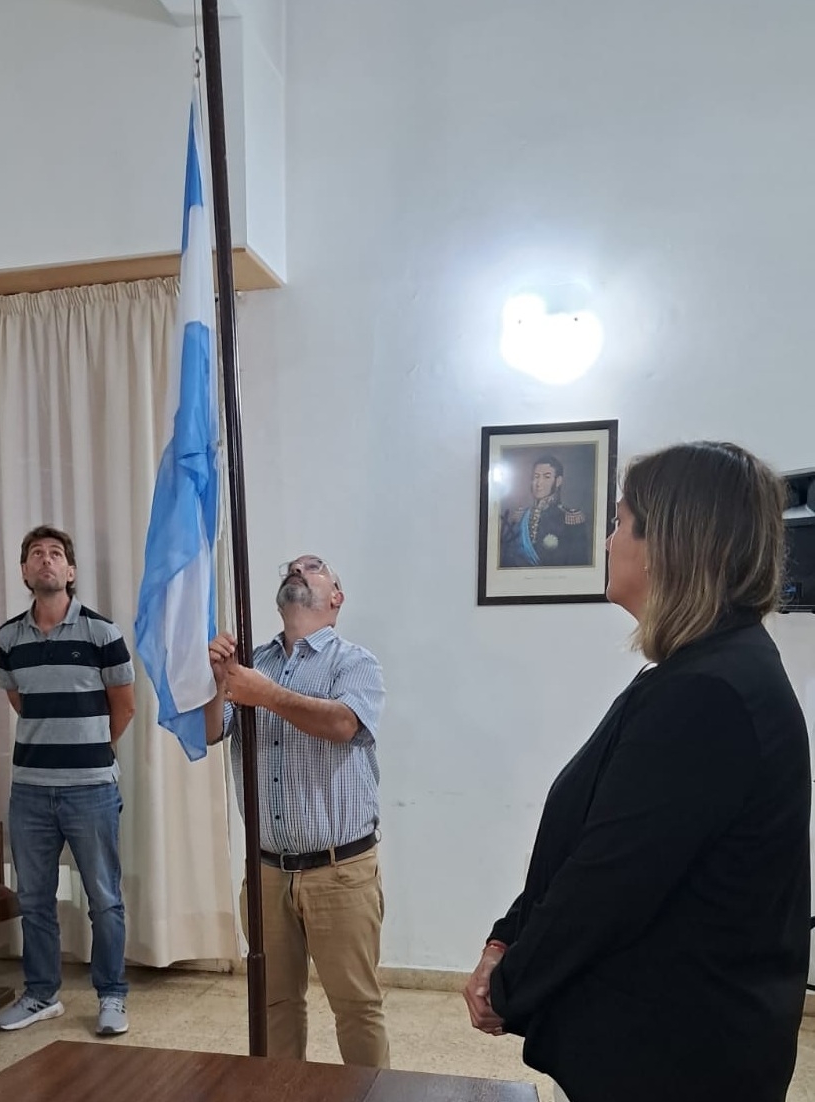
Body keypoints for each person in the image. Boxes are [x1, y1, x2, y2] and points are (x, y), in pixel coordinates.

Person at [463, 442, 811, 1102]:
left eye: (620, 522)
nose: (608, 540)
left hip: (680, 1060)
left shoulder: (708, 692)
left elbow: (609, 880)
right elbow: (590, 835)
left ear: (667, 544)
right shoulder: (703, 671)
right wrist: (507, 938)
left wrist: (510, 983)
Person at [205, 554, 388, 1067]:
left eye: (313, 566)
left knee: (357, 1007)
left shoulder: (354, 662)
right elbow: (208, 731)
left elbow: (343, 725)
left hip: (339, 872)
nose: (297, 569)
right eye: (291, 567)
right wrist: (218, 682)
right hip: (266, 871)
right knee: (275, 1004)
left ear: (336, 597)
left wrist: (266, 695)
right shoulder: (250, 663)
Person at [0, 525, 137, 1038]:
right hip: (29, 791)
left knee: (105, 898)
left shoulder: (102, 633)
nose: (46, 560)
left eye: (56, 554)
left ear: (70, 571)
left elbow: (124, 706)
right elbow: (20, 701)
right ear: (25, 571)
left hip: (92, 788)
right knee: (33, 898)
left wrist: (90, 746)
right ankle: (40, 994)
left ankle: (112, 995)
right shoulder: (9, 638)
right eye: (36, 554)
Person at [499, 454, 590, 567]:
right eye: (536, 477)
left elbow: (578, 565)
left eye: (546, 477)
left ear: (558, 481)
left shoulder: (570, 519)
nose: (539, 483)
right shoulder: (520, 517)